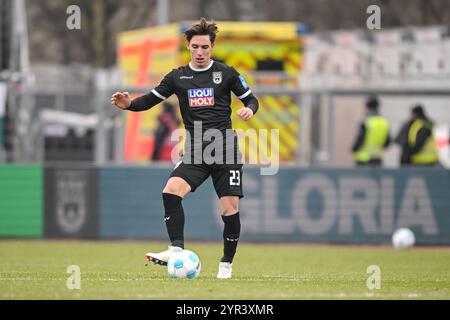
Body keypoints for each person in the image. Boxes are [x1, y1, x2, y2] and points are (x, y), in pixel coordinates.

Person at [111, 18, 259, 279]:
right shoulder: (177, 77)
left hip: (225, 150)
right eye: (195, 47)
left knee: (229, 209)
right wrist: (130, 105)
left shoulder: (227, 73)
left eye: (205, 47)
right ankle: (176, 248)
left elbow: (250, 98)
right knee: (170, 192)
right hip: (197, 150)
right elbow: (151, 100)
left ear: (212, 46)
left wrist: (249, 108)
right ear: (188, 47)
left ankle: (226, 263)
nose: (200, 52)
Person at [351, 95, 390, 166]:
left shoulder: (366, 122)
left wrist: (354, 149)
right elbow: (387, 142)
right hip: (377, 159)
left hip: (363, 159)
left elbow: (360, 139)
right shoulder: (384, 122)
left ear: (366, 106)